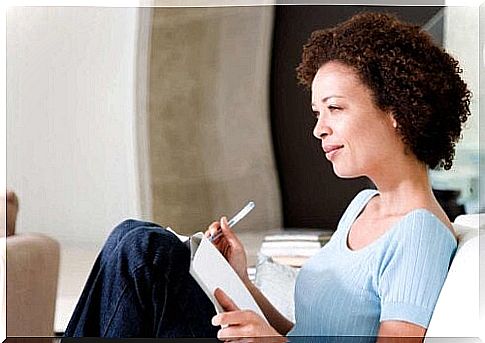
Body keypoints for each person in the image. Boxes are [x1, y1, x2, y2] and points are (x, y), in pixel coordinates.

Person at [64, 11, 471, 341]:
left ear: (395, 111)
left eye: (335, 108)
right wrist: (241, 281)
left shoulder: (420, 235)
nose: (319, 129)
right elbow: (306, 335)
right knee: (133, 238)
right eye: (317, 113)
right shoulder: (364, 205)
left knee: (146, 250)